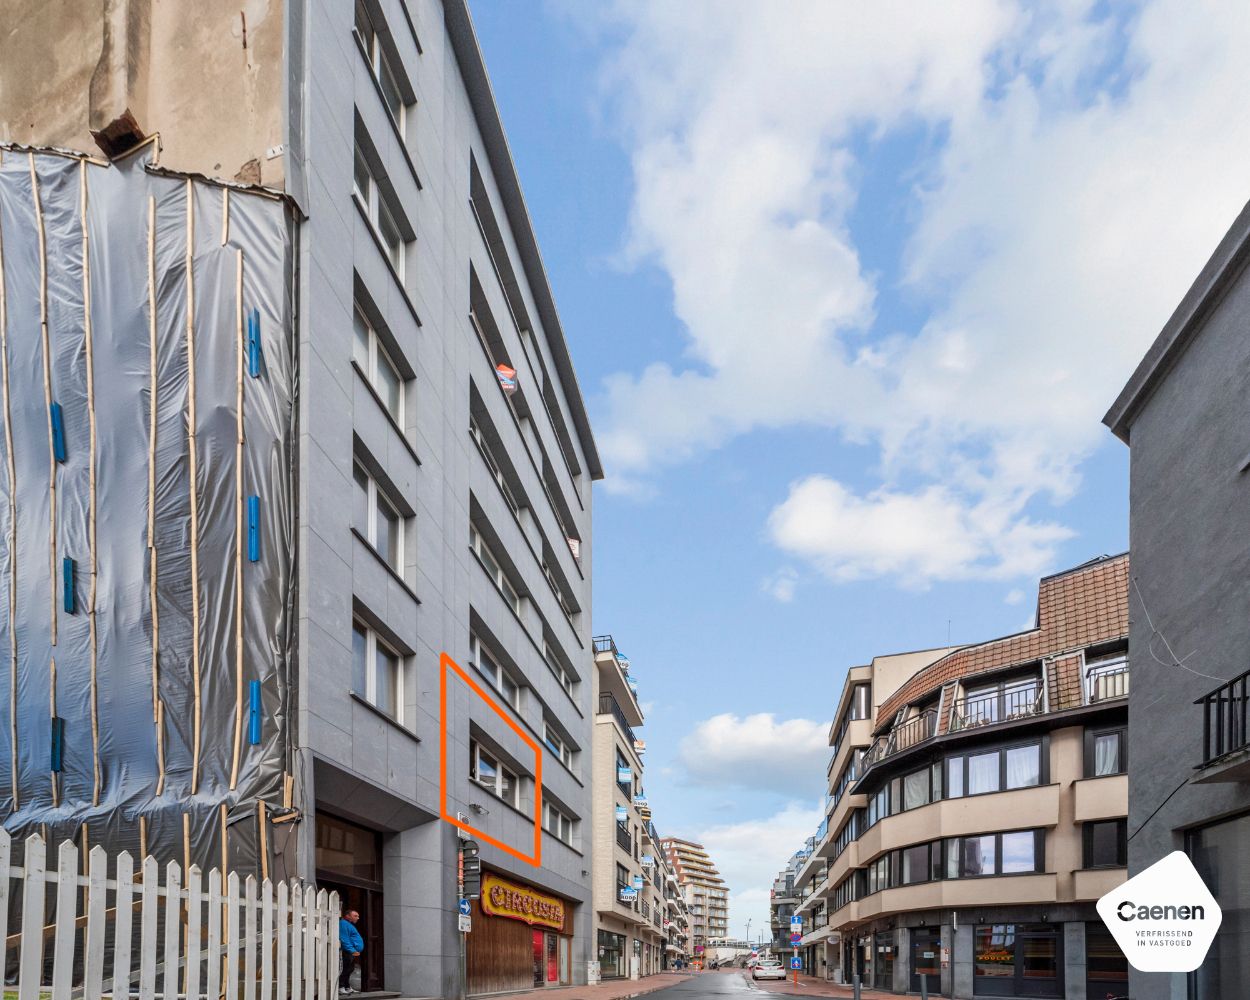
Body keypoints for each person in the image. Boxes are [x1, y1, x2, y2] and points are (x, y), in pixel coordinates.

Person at [339, 908, 364, 995]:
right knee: (345, 969)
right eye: (355, 916)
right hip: (348, 951)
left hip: (351, 951)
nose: (358, 918)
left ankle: (347, 987)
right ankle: (341, 987)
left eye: (358, 916)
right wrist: (352, 950)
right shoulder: (343, 924)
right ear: (348, 916)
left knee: (350, 969)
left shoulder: (348, 924)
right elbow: (344, 939)